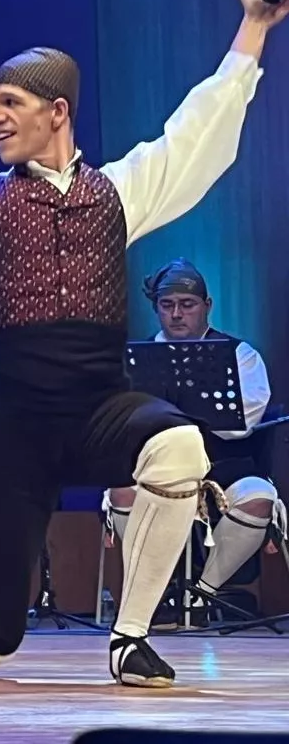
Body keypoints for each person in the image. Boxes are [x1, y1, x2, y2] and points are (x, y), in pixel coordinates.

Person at [0, 0, 286, 688]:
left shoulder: (119, 192)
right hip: (15, 432)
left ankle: (131, 636)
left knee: (180, 444)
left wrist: (254, 27)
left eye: (10, 103)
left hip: (98, 406)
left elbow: (201, 130)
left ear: (57, 111)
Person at [103, 259, 278, 619]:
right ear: (156, 310)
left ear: (207, 306)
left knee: (259, 497)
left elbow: (242, 422)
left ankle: (200, 595)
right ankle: (157, 592)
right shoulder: (135, 360)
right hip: (155, 470)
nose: (177, 314)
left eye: (187, 304)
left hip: (223, 468)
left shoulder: (240, 356)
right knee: (120, 489)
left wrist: (184, 406)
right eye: (167, 306)